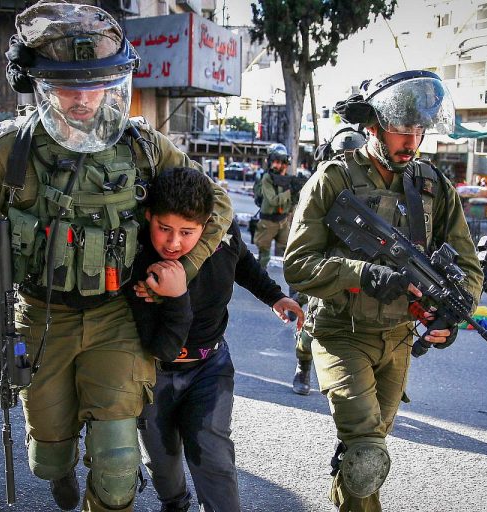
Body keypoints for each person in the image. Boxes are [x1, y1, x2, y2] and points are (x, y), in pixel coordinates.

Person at [0, 3, 233, 511]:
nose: (84, 98)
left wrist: (182, 269)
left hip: (117, 316)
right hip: (39, 317)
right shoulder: (9, 150)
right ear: (40, 86)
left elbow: (216, 203)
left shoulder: (142, 146)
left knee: (118, 465)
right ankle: (60, 468)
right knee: (48, 458)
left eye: (98, 85)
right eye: (68, 86)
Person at [283, 70, 483, 511]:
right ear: (373, 124)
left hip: (398, 339)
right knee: (368, 452)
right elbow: (297, 265)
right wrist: (364, 274)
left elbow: (468, 264)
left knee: (366, 459)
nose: (411, 141)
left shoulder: (432, 185)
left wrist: (451, 315)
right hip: (341, 332)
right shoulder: (333, 179)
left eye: (419, 129)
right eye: (401, 128)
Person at [125, 167, 303, 512]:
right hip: (153, 371)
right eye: (164, 228)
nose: (173, 243)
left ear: (207, 224)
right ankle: (175, 504)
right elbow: (162, 347)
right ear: (149, 217)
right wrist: (176, 296)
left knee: (214, 456)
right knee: (162, 463)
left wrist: (275, 296)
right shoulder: (138, 254)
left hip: (210, 366)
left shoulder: (223, 233)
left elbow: (243, 262)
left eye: (187, 232)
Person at [291, 126, 368, 396]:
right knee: (312, 327)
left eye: (353, 155)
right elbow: (304, 237)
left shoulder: (371, 186)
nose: (347, 162)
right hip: (326, 266)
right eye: (342, 155)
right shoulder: (323, 183)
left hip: (361, 268)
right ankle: (303, 364)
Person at [254, 143, 294, 269]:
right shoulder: (267, 178)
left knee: (287, 256)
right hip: (268, 222)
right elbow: (273, 200)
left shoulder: (287, 179)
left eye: (282, 162)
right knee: (264, 257)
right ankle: (259, 280)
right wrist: (290, 192)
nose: (279, 165)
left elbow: (292, 203)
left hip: (283, 221)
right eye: (276, 162)